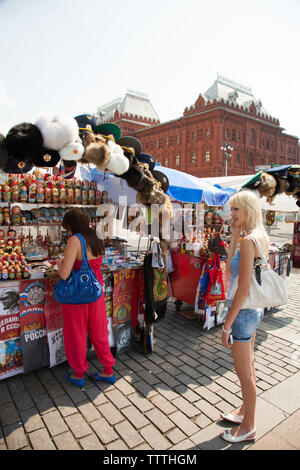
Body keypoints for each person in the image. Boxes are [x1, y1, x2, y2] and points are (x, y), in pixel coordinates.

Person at [220, 190, 268, 443]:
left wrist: (227, 325)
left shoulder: (251, 241)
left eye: (237, 209)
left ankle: (248, 426)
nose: (232, 213)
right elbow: (230, 267)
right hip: (252, 311)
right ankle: (244, 411)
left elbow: (243, 287)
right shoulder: (256, 236)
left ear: (248, 209)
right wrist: (236, 234)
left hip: (243, 312)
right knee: (248, 365)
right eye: (232, 209)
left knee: (244, 372)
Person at [56, 208, 115, 388]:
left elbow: (65, 274)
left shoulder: (75, 240)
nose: (67, 230)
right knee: (99, 330)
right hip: (96, 291)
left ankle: (78, 373)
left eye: (66, 227)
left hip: (78, 295)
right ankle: (108, 369)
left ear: (70, 225)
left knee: (76, 332)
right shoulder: (95, 236)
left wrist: (59, 263)